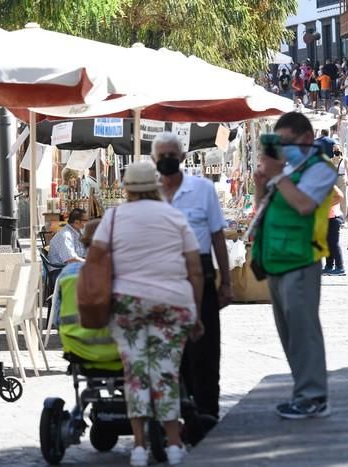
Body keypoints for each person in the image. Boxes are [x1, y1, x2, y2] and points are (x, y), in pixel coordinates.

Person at [90, 162, 204, 466]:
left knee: (136, 373)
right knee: (166, 372)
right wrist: (197, 313)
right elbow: (195, 268)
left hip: (129, 302)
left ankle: (139, 447)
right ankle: (175, 445)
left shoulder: (114, 217)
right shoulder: (175, 216)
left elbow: (96, 254)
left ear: (126, 188)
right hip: (174, 302)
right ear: (156, 185)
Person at [252, 112, 336, 419]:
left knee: (304, 330)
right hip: (275, 258)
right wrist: (262, 182)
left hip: (302, 258)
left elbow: (303, 205)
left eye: (286, 142)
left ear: (306, 139)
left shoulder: (320, 169)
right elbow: (262, 207)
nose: (282, 148)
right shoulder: (285, 169)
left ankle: (314, 396)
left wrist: (278, 175)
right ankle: (302, 392)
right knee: (288, 333)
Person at [152, 131, 232, 421]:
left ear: (182, 158)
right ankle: (178, 409)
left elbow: (217, 235)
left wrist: (227, 281)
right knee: (171, 346)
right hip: (163, 275)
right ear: (154, 160)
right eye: (162, 157)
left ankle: (207, 409)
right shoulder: (148, 193)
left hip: (201, 272)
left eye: (172, 156)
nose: (168, 161)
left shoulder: (202, 189)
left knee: (206, 346)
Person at [322, 185, 345, 276]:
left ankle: (340, 267)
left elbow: (340, 196)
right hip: (326, 218)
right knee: (328, 243)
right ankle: (329, 266)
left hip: (334, 217)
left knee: (334, 243)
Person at [332, 145, 348, 217]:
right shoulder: (331, 160)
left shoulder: (344, 160)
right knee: (334, 198)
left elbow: (347, 170)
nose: (336, 150)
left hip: (342, 178)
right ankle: (335, 215)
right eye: (335, 149)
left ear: (340, 150)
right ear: (333, 151)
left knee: (344, 198)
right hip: (334, 180)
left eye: (338, 149)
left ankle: (344, 216)